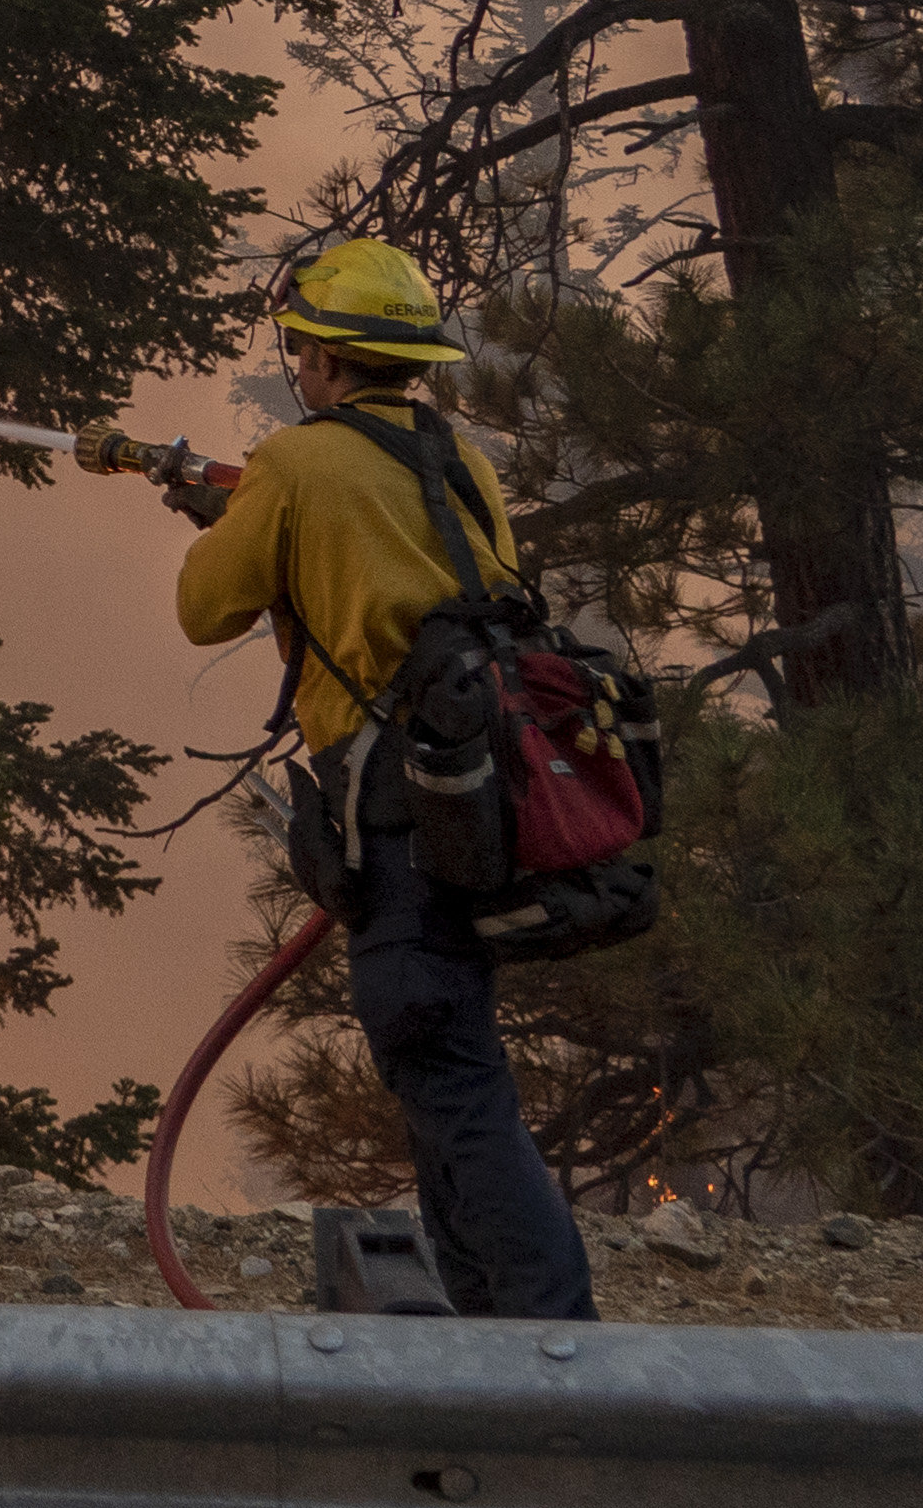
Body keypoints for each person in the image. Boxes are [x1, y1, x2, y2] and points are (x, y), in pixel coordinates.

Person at [161, 236, 596, 1321]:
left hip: (397, 814)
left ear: (324, 358)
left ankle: (560, 1342)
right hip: (478, 806)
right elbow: (407, 574)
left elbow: (205, 606)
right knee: (438, 1065)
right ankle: (486, 1333)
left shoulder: (297, 464)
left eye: (303, 346)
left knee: (439, 1060)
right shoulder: (458, 460)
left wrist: (241, 516)